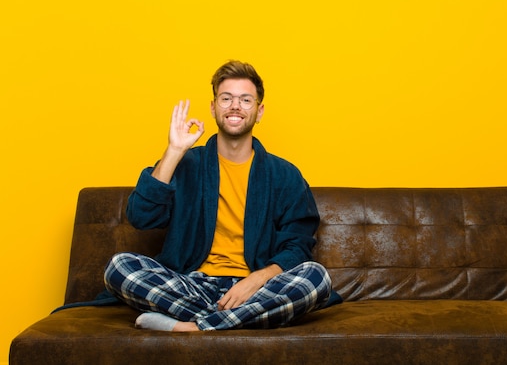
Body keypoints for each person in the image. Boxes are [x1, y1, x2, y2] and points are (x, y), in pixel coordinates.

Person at [103, 60, 338, 332]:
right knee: (119, 267)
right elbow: (141, 217)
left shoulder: (285, 175)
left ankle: (188, 327)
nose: (235, 106)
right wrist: (174, 151)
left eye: (245, 100)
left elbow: (298, 246)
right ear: (214, 107)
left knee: (316, 278)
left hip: (256, 288)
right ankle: (230, 321)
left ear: (259, 111)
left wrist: (256, 280)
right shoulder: (186, 163)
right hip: (191, 285)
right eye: (226, 98)